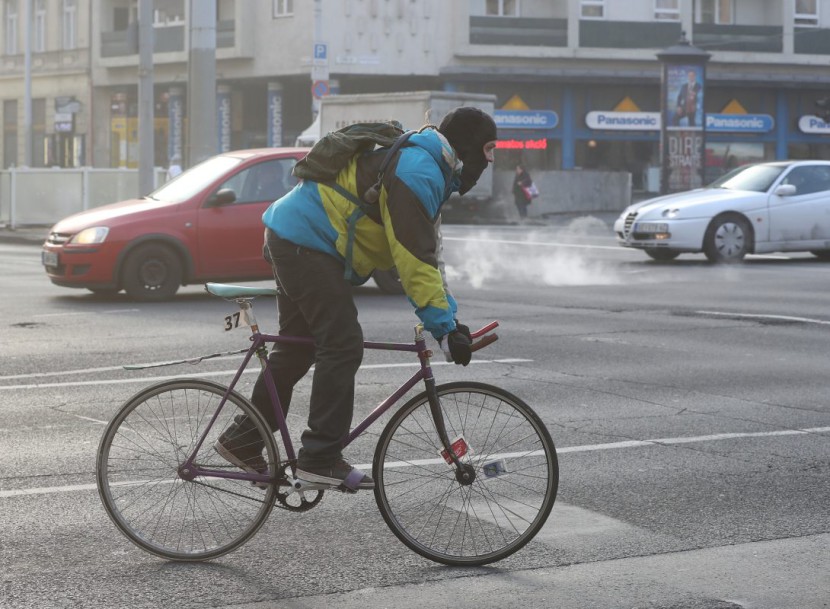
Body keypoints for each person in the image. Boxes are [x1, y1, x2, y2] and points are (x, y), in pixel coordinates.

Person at [214, 107, 498, 490]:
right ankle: (319, 456)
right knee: (343, 344)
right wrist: (444, 328)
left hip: (298, 238)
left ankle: (242, 440)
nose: (489, 163)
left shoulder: (431, 168)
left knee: (299, 348)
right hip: (307, 243)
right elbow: (412, 260)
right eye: (489, 151)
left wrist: (450, 322)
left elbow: (431, 256)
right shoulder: (418, 171)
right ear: (469, 148)